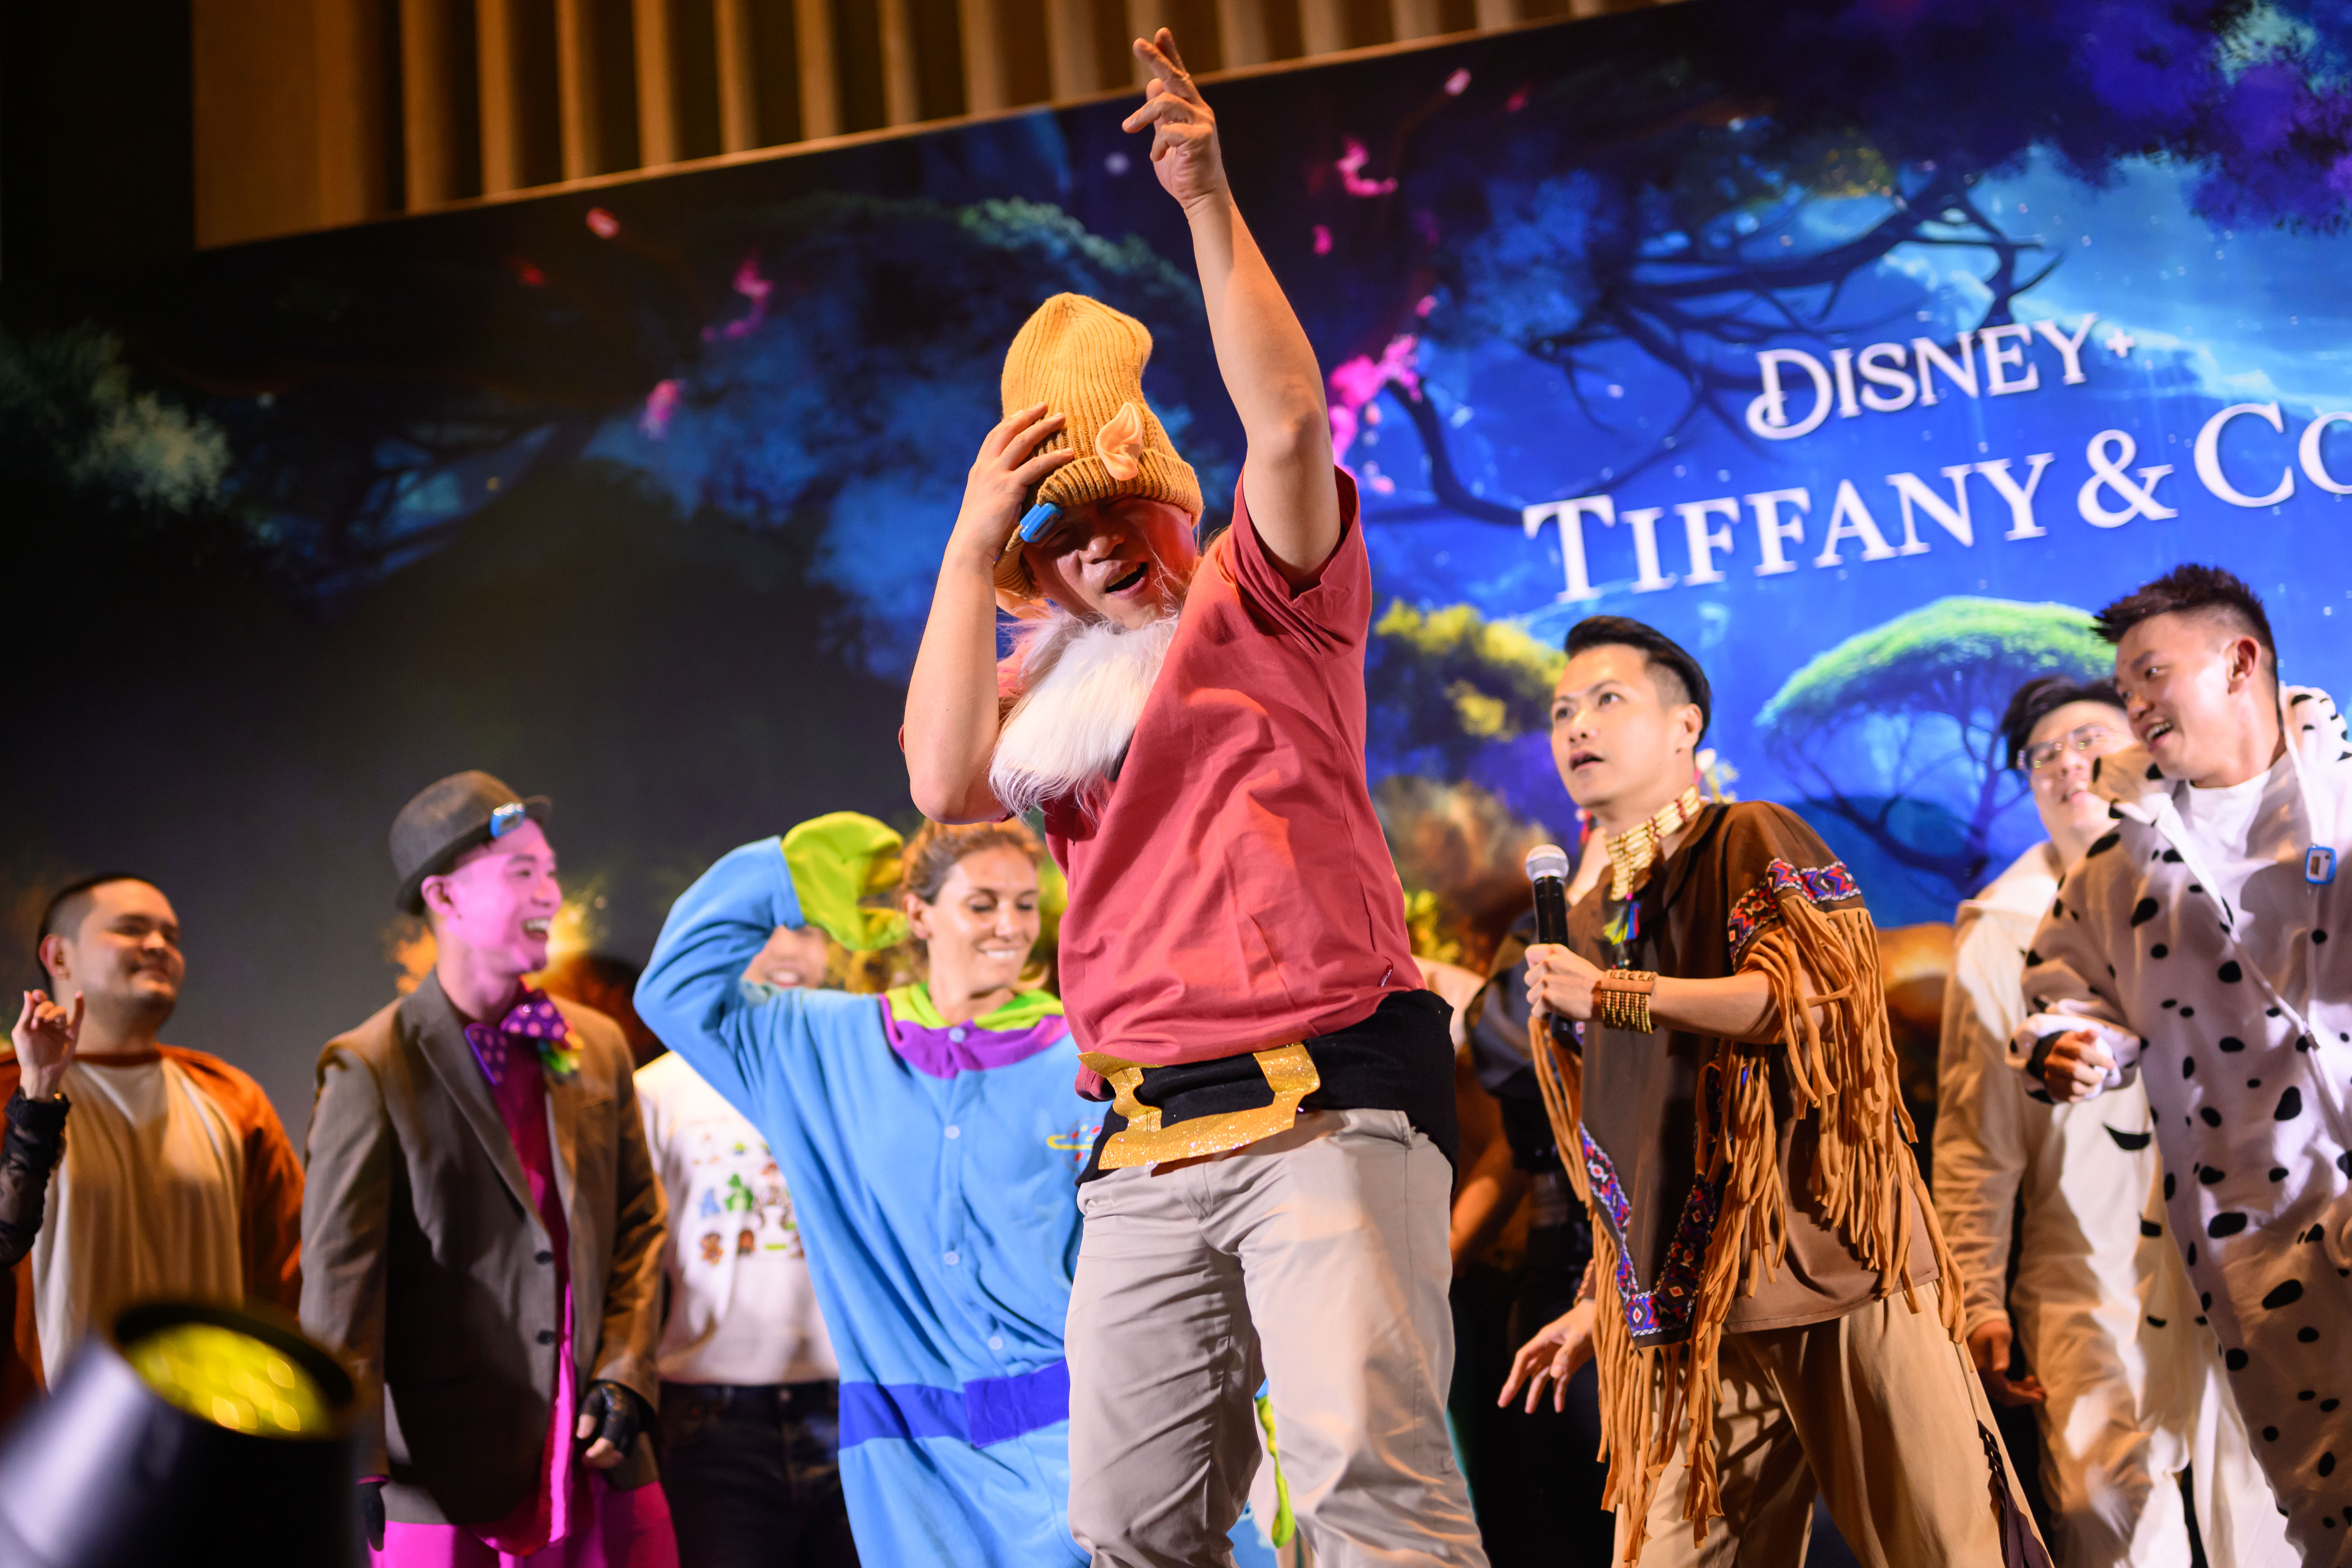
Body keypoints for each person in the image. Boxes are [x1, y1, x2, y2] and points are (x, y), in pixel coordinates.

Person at [899, 28, 1484, 1568]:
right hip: (1144, 1140)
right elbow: (940, 779)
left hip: (1324, 1104)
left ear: (1171, 502)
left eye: (1117, 508)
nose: (1095, 544)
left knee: (1368, 1493)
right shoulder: (1044, 709)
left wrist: (1207, 201)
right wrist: (965, 545)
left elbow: (1286, 424)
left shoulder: (1259, 602)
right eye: (1055, 532)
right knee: (1126, 1525)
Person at [1502, 615, 2043, 1567]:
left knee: (1950, 1547)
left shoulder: (1745, 833)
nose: (1576, 725)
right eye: (1561, 712)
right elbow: (1622, 1134)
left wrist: (1616, 993)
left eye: (1606, 699)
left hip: (1832, 1256)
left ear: (1686, 726)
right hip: (1683, 1313)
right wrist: (1599, 1297)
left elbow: (1812, 1000)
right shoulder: (1581, 918)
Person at [640, 813, 1192, 1568]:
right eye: (982, 903)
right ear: (918, 915)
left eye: (1025, 904)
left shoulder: (1086, 1059)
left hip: (1081, 1429)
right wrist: (780, 879)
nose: (1010, 926)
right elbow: (675, 989)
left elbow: (1169, 1238)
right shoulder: (817, 1046)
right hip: (912, 1459)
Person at [2015, 565, 2351, 1563]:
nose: (2136, 706)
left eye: (2153, 674)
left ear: (2239, 661)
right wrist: (2071, 1047)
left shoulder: (2343, 795)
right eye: (2126, 688)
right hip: (2259, 1240)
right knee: (2331, 1510)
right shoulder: (2117, 864)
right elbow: (2058, 999)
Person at [1937, 675, 2286, 1566]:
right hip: (2086, 1274)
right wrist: (1975, 1295)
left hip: (2244, 1255)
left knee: (2270, 1506)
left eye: (2088, 740)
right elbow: (1976, 1140)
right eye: (2042, 755)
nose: (2068, 765)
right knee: (2108, 1514)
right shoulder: (2000, 931)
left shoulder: (2232, 883)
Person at [301, 771, 674, 1566]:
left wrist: (627, 1371)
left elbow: (640, 1223)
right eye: (522, 871)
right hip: (441, 1471)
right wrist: (347, 1456)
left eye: (551, 870)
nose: (551, 892)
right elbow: (341, 1286)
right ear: (443, 896)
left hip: (595, 1455)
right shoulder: (370, 1065)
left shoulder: (597, 1043)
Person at [635, 824, 861, 1568]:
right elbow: (631, 1259)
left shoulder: (859, 1074)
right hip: (712, 1416)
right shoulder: (660, 1089)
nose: (790, 950)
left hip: (853, 1404)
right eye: (769, 927)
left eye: (810, 930)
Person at [0, 874, 302, 1422]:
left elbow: (286, 1284)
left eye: (171, 936)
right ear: (58, 956)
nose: (159, 946)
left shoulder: (233, 1100)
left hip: (212, 1438)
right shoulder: (8, 1091)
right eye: (131, 929)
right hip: (44, 1446)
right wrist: (38, 1091)